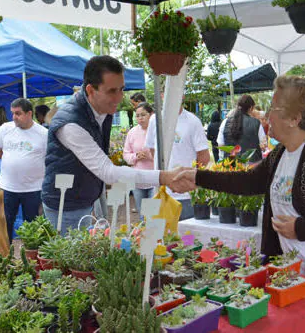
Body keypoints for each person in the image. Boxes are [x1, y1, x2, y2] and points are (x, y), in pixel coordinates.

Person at [172, 76, 305, 333]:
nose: (265, 115)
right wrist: (198, 176)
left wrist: (302, 228)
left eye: (273, 108)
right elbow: (248, 181)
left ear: (294, 118)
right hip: (302, 284)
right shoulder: (282, 153)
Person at [41, 55, 183, 233]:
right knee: (70, 258)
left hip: (83, 198)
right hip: (64, 205)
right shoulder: (70, 124)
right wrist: (164, 177)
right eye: (112, 91)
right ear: (91, 90)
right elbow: (108, 172)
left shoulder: (102, 108)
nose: (119, 97)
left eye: (121, 89)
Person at [0, 98, 48, 243]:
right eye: (13, 113)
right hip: (8, 187)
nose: (14, 117)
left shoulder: (43, 133)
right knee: (6, 223)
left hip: (34, 188)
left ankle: (32, 258)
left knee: (33, 226)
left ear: (29, 114)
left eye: (18, 113)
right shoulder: (5, 129)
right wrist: (13, 161)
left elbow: (50, 158)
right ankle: (6, 257)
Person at [145, 104, 210, 220]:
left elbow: (204, 156)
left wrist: (190, 179)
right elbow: (152, 149)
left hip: (185, 195)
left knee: (187, 236)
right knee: (158, 235)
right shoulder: (154, 120)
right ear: (162, 94)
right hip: (159, 192)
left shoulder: (192, 121)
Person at [123, 102, 155, 220]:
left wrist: (150, 156)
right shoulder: (132, 132)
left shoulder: (157, 131)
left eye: (143, 115)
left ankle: (155, 237)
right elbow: (126, 154)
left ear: (151, 115)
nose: (140, 118)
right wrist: (136, 156)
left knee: (152, 215)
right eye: (137, 115)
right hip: (137, 179)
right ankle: (143, 237)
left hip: (154, 179)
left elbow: (165, 154)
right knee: (142, 216)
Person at [217, 95, 266, 162]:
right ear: (251, 108)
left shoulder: (225, 122)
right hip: (252, 167)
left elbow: (221, 144)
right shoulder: (256, 123)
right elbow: (264, 145)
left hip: (231, 165)